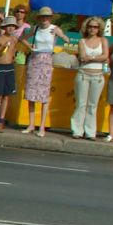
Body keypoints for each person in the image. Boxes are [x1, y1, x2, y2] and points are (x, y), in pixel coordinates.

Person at [22, 7, 71, 136]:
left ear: (50, 18)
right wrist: (30, 47)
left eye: (47, 17)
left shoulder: (54, 29)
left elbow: (67, 40)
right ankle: (31, 124)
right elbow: (22, 38)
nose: (45, 19)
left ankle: (42, 126)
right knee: (31, 93)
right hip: (35, 59)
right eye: (43, 17)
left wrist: (59, 34)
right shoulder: (36, 28)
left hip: (47, 60)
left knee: (43, 95)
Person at [69, 17, 110, 140]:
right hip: (83, 75)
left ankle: (90, 132)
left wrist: (91, 58)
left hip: (97, 76)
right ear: (86, 28)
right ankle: (77, 130)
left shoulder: (103, 40)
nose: (92, 29)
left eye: (95, 27)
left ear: (99, 29)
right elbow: (82, 56)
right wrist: (97, 57)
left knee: (93, 105)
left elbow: (106, 56)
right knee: (81, 103)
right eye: (90, 26)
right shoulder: (82, 41)